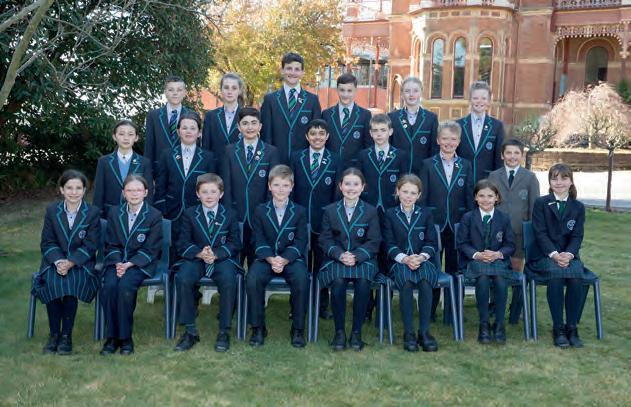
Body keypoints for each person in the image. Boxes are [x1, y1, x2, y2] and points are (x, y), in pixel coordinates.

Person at [174, 173, 242, 352]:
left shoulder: (230, 214)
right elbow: (182, 243)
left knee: (228, 279)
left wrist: (216, 254)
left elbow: (235, 243)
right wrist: (199, 253)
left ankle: (224, 330)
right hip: (196, 258)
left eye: (213, 191)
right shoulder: (189, 214)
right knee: (183, 278)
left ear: (221, 194)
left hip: (221, 259)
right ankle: (190, 331)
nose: (209, 196)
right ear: (198, 194)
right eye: (204, 192)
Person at [36, 170, 101, 355]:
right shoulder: (52, 211)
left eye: (78, 188)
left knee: (71, 284)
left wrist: (71, 262)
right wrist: (58, 262)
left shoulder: (92, 212)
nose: (74, 192)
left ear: (84, 190)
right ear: (62, 190)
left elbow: (91, 245)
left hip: (81, 263)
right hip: (54, 261)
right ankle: (54, 335)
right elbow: (47, 242)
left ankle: (66, 336)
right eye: (69, 188)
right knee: (52, 282)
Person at [246, 165, 310, 348]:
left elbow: (300, 241)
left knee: (302, 279)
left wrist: (284, 259)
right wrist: (271, 259)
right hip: (266, 259)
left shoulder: (299, 211)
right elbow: (257, 239)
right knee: (253, 279)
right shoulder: (260, 210)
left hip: (291, 259)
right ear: (269, 186)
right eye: (276, 185)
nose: (280, 189)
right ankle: (258, 327)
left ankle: (297, 328)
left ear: (291, 187)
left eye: (285, 185)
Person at [319, 168, 381, 351]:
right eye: (347, 184)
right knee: (338, 282)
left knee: (363, 282)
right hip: (337, 259)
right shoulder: (329, 211)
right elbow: (325, 239)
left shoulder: (371, 211)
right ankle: (339, 332)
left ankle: (356, 333)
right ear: (340, 186)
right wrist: (340, 255)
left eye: (355, 184)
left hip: (363, 260)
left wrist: (357, 256)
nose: (351, 188)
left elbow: (374, 241)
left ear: (362, 187)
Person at [100, 175, 163, 355]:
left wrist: (130, 264)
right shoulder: (114, 213)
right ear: (123, 193)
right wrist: (118, 263)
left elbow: (152, 248)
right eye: (130, 190)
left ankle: (125, 338)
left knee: (125, 287)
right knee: (110, 286)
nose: (134, 194)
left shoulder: (154, 215)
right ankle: (112, 337)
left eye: (138, 190)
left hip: (140, 263)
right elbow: (110, 243)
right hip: (116, 262)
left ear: (146, 192)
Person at [420, 120, 474, 322]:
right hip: (434, 223)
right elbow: (423, 197)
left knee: (456, 267)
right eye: (445, 138)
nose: (449, 143)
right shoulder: (427, 164)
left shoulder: (465, 165)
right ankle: (430, 310)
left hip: (457, 224)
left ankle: (453, 312)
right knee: (432, 267)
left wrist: (468, 222)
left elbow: (469, 195)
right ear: (437, 140)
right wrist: (425, 221)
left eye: (453, 139)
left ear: (459, 141)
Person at [530, 163, 586, 348]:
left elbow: (577, 235)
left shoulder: (578, 207)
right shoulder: (541, 203)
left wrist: (568, 254)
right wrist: (554, 254)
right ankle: (558, 328)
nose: (559, 182)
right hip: (544, 255)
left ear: (571, 181)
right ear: (549, 182)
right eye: (554, 178)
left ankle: (572, 327)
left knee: (576, 277)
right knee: (556, 275)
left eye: (564, 178)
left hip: (569, 256)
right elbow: (540, 233)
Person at [289, 119, 340, 320]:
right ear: (306, 136)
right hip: (300, 220)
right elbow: (291, 188)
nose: (317, 137)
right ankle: (297, 306)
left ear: (327, 136)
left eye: (321, 133)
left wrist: (332, 220)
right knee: (299, 265)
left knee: (321, 264)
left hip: (323, 222)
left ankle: (321, 305)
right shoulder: (296, 157)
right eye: (313, 133)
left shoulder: (335, 159)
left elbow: (337, 192)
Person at [382, 174, 439, 352]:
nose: (408, 196)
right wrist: (405, 259)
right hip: (399, 261)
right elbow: (388, 243)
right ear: (398, 191)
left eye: (413, 193)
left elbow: (431, 242)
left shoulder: (426, 214)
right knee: (406, 282)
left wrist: (420, 257)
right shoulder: (389, 214)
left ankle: (424, 332)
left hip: (422, 260)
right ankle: (409, 333)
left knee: (425, 281)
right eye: (405, 191)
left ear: (419, 195)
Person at [457, 179, 516, 344]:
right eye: (481, 195)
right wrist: (477, 255)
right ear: (475, 197)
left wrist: (498, 254)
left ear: (497, 197)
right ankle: (483, 324)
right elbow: (462, 244)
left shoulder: (504, 218)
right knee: (482, 279)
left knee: (500, 281)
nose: (486, 199)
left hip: (498, 261)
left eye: (490, 196)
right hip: (475, 262)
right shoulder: (468, 218)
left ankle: (499, 324)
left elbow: (510, 245)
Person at [488, 139, 540, 324]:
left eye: (516, 153)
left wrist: (532, 232)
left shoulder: (530, 178)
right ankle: (495, 304)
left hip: (519, 233)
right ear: (502, 155)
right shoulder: (494, 176)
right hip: (496, 232)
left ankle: (516, 307)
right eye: (508, 153)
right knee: (496, 268)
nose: (512, 156)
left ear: (522, 155)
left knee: (517, 269)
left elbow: (534, 207)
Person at [222, 107, 280, 266]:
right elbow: (226, 185)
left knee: (258, 262)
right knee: (234, 262)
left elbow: (273, 187)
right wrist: (228, 213)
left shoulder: (271, 151)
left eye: (254, 123)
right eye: (245, 123)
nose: (250, 127)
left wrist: (267, 212)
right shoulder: (229, 151)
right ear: (238, 127)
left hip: (260, 215)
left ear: (260, 126)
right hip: (236, 214)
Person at [154, 112, 215, 252]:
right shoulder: (167, 155)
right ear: (178, 131)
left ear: (199, 133)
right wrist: (162, 209)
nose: (188, 131)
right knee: (171, 250)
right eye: (184, 128)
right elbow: (160, 185)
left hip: (197, 211)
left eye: (193, 128)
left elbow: (211, 186)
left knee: (193, 248)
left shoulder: (208, 157)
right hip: (171, 211)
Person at [261, 52, 322, 163]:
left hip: (303, 162)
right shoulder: (270, 100)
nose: (293, 73)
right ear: (282, 71)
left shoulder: (312, 100)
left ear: (302, 73)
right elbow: (266, 135)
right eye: (289, 68)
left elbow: (316, 134)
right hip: (277, 161)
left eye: (297, 69)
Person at [94, 120, 153, 219]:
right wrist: (97, 217)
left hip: (136, 214)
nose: (126, 138)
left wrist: (146, 215)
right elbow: (98, 192)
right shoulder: (104, 161)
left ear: (136, 137)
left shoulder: (144, 162)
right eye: (121, 134)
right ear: (114, 136)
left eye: (130, 134)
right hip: (110, 214)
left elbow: (149, 192)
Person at [357, 113, 408, 214]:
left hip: (392, 205)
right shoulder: (363, 155)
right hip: (368, 204)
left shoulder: (400, 156)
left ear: (390, 131)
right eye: (375, 130)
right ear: (370, 133)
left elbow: (404, 182)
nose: (379, 134)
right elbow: (359, 180)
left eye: (383, 130)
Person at [456, 81, 505, 184]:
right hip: (463, 180)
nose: (479, 101)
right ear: (470, 100)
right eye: (475, 98)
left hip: (487, 182)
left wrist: (496, 183)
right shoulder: (458, 125)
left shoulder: (497, 126)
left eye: (483, 98)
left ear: (489, 101)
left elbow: (499, 158)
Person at [321, 73, 372, 170]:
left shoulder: (365, 115)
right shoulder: (326, 114)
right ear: (337, 90)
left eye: (349, 91)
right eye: (342, 90)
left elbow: (368, 146)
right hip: (330, 168)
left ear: (355, 91)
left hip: (354, 169)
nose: (345, 94)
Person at [389, 76, 438, 175]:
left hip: (422, 173)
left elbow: (434, 149)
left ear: (421, 93)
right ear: (402, 94)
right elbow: (388, 146)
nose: (411, 94)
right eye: (407, 91)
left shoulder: (431, 118)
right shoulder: (393, 117)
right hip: (398, 172)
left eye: (415, 91)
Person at [144, 75, 193, 170]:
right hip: (159, 170)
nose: (175, 93)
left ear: (185, 93)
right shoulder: (153, 115)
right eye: (171, 90)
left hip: (185, 169)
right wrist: (148, 173)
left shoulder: (192, 115)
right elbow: (149, 147)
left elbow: (196, 145)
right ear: (165, 92)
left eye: (179, 90)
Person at [202, 72, 244, 165]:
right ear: (221, 89)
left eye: (234, 88)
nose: (230, 91)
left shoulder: (246, 116)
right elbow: (205, 148)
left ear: (239, 91)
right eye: (226, 87)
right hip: (215, 169)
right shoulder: (210, 116)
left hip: (239, 168)